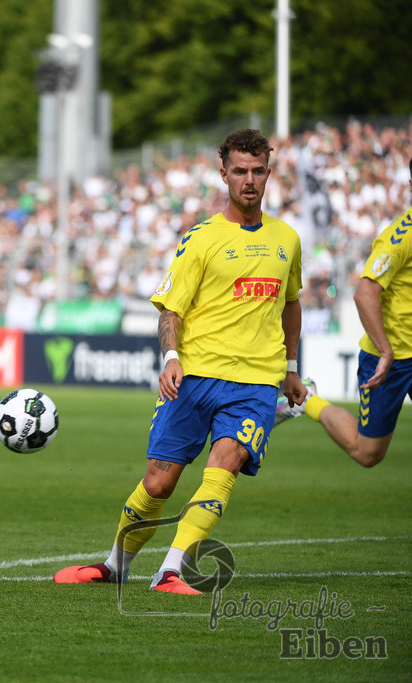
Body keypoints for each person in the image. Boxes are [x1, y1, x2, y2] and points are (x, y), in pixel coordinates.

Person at [55, 129, 307, 594]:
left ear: (268, 174)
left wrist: (290, 369)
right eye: (239, 171)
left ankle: (170, 570)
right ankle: (115, 565)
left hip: (255, 382)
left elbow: (291, 303)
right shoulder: (202, 238)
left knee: (225, 464)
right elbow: (171, 307)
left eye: (257, 171)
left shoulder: (287, 239)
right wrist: (171, 357)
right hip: (194, 376)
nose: (248, 181)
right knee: (158, 483)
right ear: (224, 174)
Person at [276, 159, 411, 467]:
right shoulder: (401, 236)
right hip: (390, 360)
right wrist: (386, 351)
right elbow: (364, 293)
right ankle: (307, 401)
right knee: (367, 453)